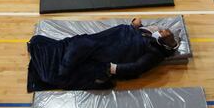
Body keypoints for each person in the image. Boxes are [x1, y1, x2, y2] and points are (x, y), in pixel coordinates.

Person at [27, 18, 180, 91]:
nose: (160, 30)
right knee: (80, 43)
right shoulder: (151, 32)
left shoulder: (155, 53)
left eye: (163, 33)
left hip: (115, 50)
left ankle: (62, 71)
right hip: (111, 38)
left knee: (79, 49)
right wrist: (135, 26)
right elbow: (138, 29)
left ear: (165, 42)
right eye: (161, 30)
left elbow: (136, 67)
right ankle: (61, 61)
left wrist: (113, 68)